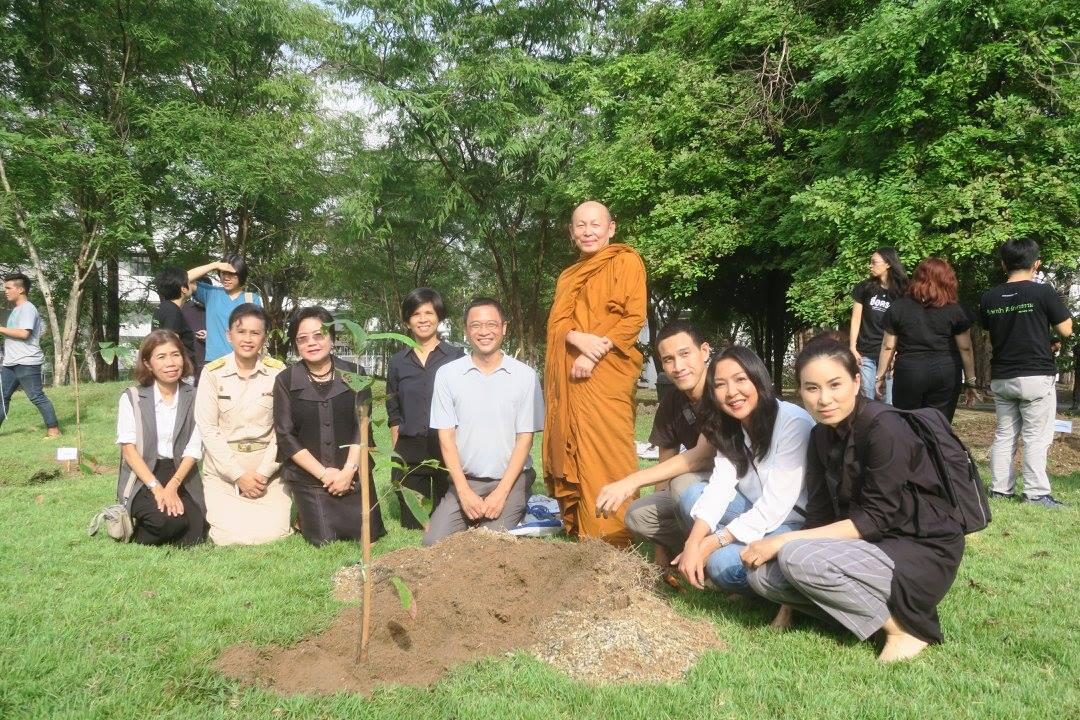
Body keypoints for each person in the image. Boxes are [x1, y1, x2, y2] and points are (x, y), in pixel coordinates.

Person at [743, 334, 965, 663]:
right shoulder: (819, 435)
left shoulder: (885, 427)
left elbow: (875, 519)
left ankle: (904, 629)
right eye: (812, 388)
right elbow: (818, 517)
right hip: (868, 546)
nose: (824, 399)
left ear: (856, 381)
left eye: (835, 385)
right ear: (800, 391)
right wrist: (787, 606)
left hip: (918, 549)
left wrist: (782, 541)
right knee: (761, 577)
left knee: (795, 557)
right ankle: (857, 616)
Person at [597, 346, 813, 596]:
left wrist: (712, 542)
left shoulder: (792, 422)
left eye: (740, 379)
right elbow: (720, 487)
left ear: (759, 379)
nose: (731, 392)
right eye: (720, 385)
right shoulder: (730, 425)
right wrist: (693, 542)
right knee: (693, 496)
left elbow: (775, 506)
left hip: (791, 522)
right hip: (752, 510)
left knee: (722, 566)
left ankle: (778, 580)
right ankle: (727, 560)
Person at [543, 200, 647, 547]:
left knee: (610, 451)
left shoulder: (626, 261)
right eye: (580, 226)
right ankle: (585, 528)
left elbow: (633, 318)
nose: (588, 232)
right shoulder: (567, 276)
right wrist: (577, 339)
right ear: (571, 232)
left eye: (595, 225)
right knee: (576, 450)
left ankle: (617, 534)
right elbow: (556, 326)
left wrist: (593, 354)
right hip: (572, 378)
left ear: (610, 229)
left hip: (607, 375)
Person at [423, 297, 544, 546]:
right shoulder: (448, 375)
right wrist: (464, 492)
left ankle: (516, 506)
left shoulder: (525, 376)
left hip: (511, 480)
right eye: (476, 325)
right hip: (465, 480)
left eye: (491, 324)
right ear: (466, 330)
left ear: (504, 328)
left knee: (487, 543)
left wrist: (501, 493)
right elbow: (446, 438)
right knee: (433, 544)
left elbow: (525, 439)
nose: (484, 331)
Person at [273, 306, 385, 546]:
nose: (311, 343)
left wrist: (348, 471)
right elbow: (285, 436)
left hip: (353, 473)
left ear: (332, 338)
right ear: (296, 344)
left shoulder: (356, 374)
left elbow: (362, 427)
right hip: (312, 477)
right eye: (303, 339)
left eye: (318, 335)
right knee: (324, 539)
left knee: (368, 535)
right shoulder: (285, 380)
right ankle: (305, 516)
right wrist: (325, 474)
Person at [980, 238, 1073, 507]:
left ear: (1003, 265)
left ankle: (1000, 490)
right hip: (1035, 375)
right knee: (1036, 437)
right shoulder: (1043, 292)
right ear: (1037, 264)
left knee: (1005, 434)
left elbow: (989, 329)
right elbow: (1066, 330)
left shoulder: (989, 297)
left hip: (1002, 376)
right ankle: (1036, 494)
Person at [617, 321, 713, 574]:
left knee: (682, 484)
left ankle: (715, 555)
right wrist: (661, 548)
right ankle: (683, 551)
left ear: (704, 351)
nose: (678, 367)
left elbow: (701, 457)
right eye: (668, 359)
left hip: (740, 487)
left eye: (685, 354)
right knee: (638, 515)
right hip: (701, 488)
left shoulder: (721, 388)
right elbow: (665, 468)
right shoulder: (672, 400)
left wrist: (631, 481)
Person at [195, 303, 292, 545]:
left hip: (268, 470)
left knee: (274, 533)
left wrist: (263, 473)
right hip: (224, 471)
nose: (247, 339)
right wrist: (238, 475)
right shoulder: (212, 373)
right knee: (227, 537)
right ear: (229, 335)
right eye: (241, 332)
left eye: (255, 333)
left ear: (264, 338)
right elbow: (208, 429)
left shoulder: (278, 372)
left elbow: (283, 429)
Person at [115, 330, 206, 546]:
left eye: (175, 355)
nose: (171, 363)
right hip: (144, 474)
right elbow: (129, 451)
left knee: (197, 533)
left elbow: (194, 448)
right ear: (148, 364)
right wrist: (157, 489)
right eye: (161, 357)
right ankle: (140, 529)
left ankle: (171, 524)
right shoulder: (132, 397)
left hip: (180, 472)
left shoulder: (195, 396)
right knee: (168, 522)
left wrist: (173, 485)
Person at [386, 288, 465, 529]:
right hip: (410, 446)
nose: (423, 319)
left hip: (446, 445)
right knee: (413, 522)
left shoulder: (456, 357)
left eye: (429, 313)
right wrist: (397, 449)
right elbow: (393, 409)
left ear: (439, 317)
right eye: (416, 314)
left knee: (447, 520)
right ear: (407, 321)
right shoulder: (398, 362)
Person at [876, 258, 977, 421]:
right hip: (945, 371)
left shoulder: (899, 307)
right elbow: (965, 347)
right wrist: (971, 381)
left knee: (907, 423)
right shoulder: (957, 309)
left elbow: (888, 346)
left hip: (909, 371)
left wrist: (880, 376)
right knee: (938, 424)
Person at [0, 272, 60, 437]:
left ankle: (54, 430)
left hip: (27, 362)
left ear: (20, 289)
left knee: (36, 396)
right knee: (2, 397)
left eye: (8, 288)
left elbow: (24, 334)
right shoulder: (16, 310)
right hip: (11, 363)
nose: (5, 291)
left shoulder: (28, 308)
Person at [849, 248, 908, 403]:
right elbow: (856, 318)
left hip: (892, 355)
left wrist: (899, 351)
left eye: (874, 262)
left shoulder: (903, 291)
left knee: (891, 402)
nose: (870, 265)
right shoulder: (864, 288)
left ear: (888, 264)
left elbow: (906, 322)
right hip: (865, 353)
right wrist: (852, 347)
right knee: (867, 401)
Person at [186, 255, 264, 363]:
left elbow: (258, 333)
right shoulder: (211, 293)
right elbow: (184, 279)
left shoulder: (251, 299)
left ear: (241, 275)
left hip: (242, 362)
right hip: (214, 362)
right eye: (223, 273)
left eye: (231, 274)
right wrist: (214, 265)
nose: (226, 278)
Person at [151, 266, 197, 366]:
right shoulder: (173, 311)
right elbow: (171, 344)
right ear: (184, 289)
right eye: (191, 283)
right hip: (180, 368)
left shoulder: (162, 307)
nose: (194, 285)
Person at [181, 282, 208, 383]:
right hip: (190, 364)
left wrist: (210, 337)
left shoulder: (217, 309)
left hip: (212, 363)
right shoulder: (184, 309)